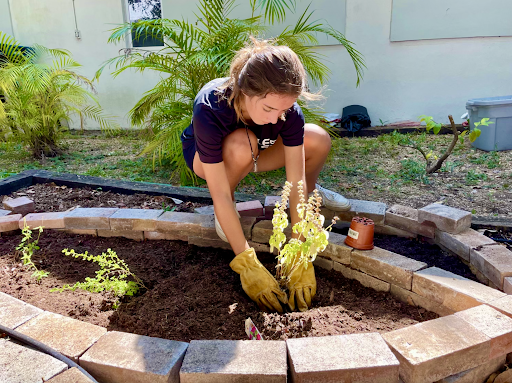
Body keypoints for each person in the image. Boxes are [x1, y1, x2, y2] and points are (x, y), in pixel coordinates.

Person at [181, 37, 351, 313]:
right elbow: (219, 193)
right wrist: (247, 263)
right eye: (269, 109)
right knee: (241, 143)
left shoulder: (287, 114)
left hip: (258, 150)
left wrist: (298, 250)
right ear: (246, 91)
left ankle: (314, 191)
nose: (276, 118)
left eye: (284, 109)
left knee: (317, 138)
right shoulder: (211, 106)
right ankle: (228, 217)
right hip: (212, 159)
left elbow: (294, 181)